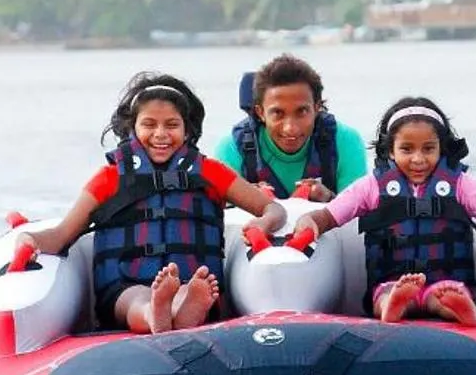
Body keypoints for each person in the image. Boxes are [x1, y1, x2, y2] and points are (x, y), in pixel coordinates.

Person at [17, 72, 284, 334]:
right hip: (124, 289)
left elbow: (273, 209)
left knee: (185, 289)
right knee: (137, 299)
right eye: (149, 124)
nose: (160, 134)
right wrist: (31, 240)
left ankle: (183, 306)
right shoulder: (108, 179)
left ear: (187, 129)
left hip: (192, 283)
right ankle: (156, 312)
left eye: (171, 125)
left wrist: (264, 222)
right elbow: (63, 234)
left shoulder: (210, 172)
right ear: (132, 128)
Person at [288, 95, 476, 327]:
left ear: (441, 148)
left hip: (446, 281)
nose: (418, 159)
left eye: (428, 149)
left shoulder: (460, 185)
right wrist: (309, 222)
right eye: (406, 149)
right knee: (386, 295)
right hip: (391, 282)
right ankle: (394, 307)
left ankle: (459, 309)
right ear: (390, 150)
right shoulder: (371, 187)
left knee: (445, 294)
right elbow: (329, 216)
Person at [210, 53, 371, 203]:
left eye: (302, 111)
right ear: (260, 113)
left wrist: (329, 198)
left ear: (317, 108)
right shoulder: (231, 149)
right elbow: (216, 217)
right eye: (278, 113)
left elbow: (358, 217)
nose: (290, 128)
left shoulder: (345, 142)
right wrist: (247, 199)